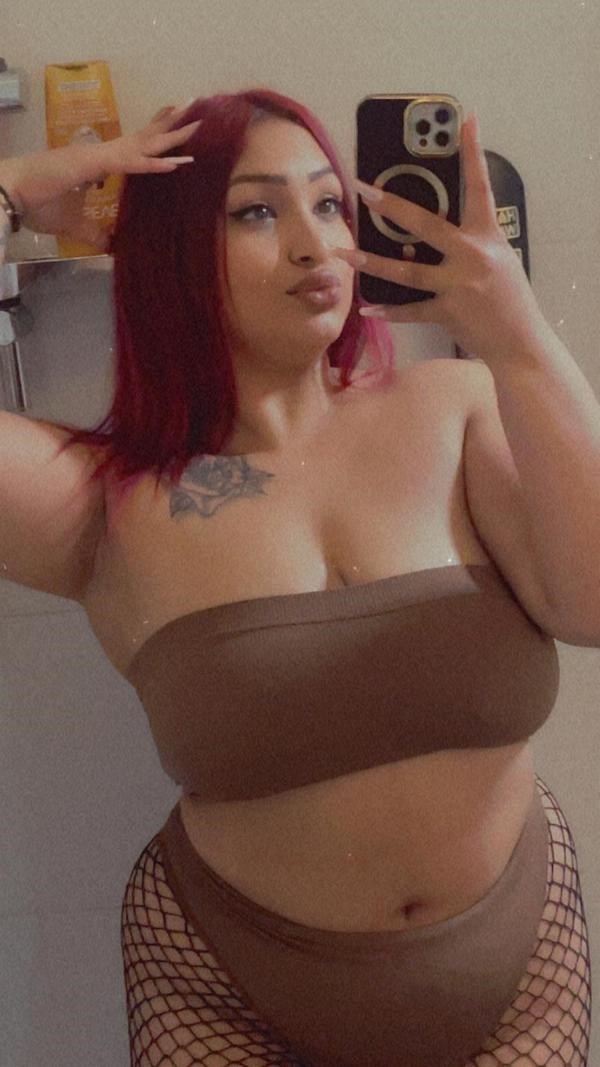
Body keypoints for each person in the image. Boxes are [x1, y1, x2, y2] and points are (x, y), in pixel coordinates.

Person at [0, 88, 594, 1067]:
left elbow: (592, 602)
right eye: (255, 211)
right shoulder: (99, 497)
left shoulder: (456, 404)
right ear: (174, 252)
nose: (316, 245)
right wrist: (17, 187)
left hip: (517, 952)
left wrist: (518, 333)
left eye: (328, 204)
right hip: (223, 979)